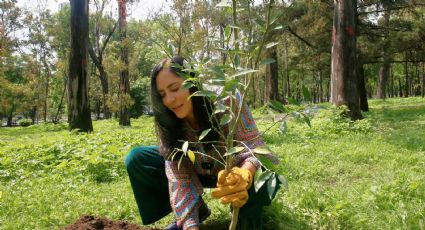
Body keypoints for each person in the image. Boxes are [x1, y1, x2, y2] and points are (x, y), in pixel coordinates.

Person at [125, 56, 281, 230]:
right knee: (137, 158)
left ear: (193, 82)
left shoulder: (226, 99)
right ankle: (196, 211)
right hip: (199, 171)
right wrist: (190, 224)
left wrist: (244, 174)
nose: (169, 100)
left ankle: (246, 218)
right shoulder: (168, 121)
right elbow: (179, 177)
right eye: (162, 95)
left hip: (235, 171)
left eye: (174, 88)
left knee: (261, 170)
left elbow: (257, 147)